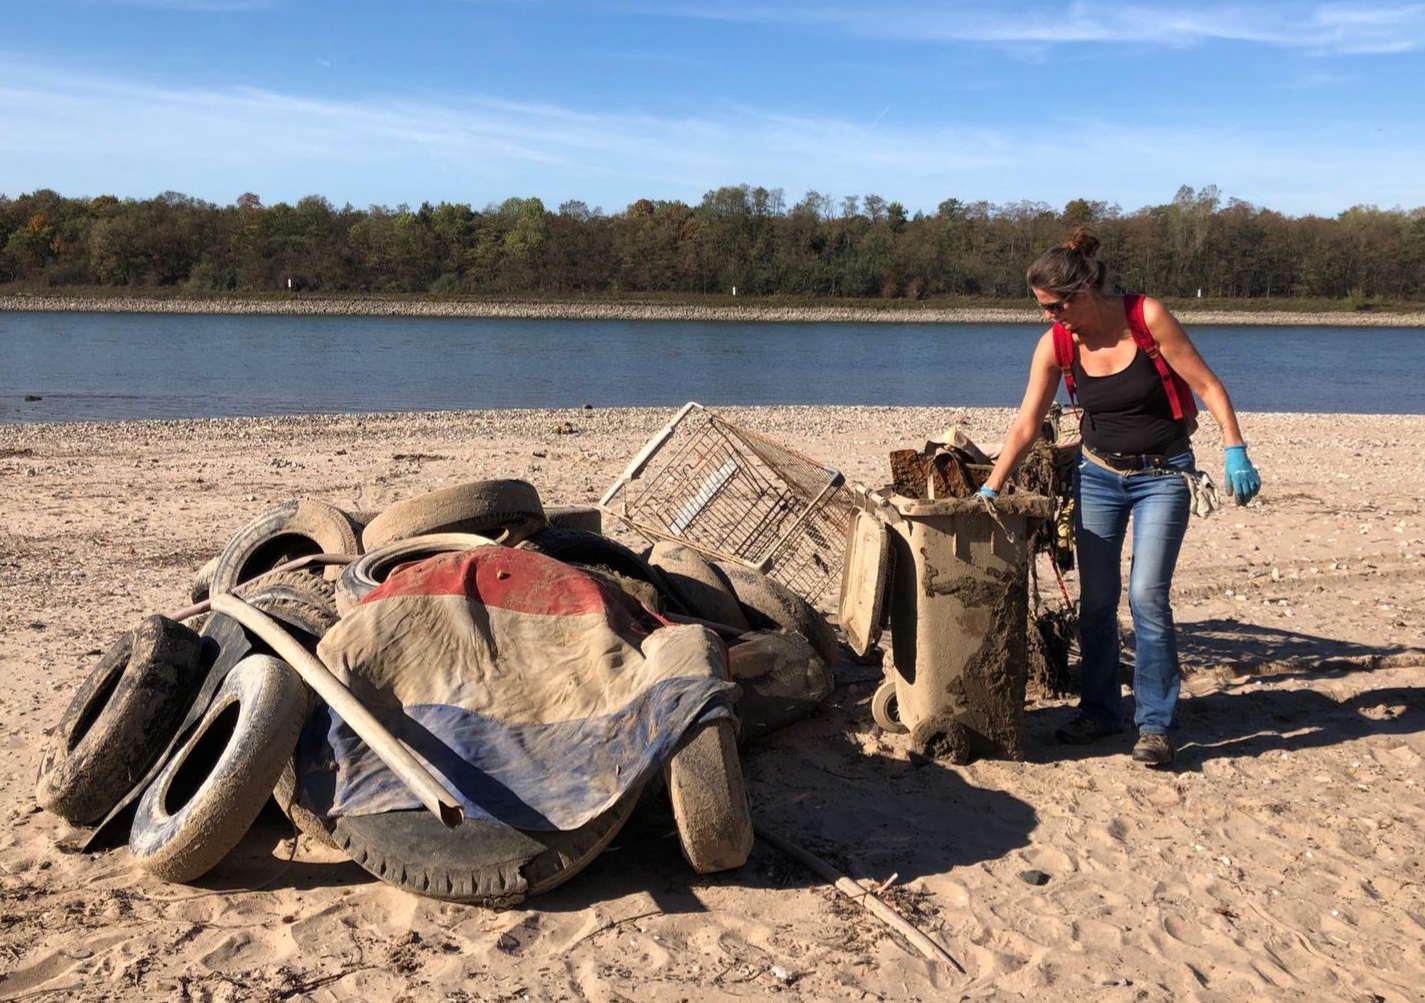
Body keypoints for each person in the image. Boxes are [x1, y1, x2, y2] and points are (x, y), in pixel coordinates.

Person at [978, 229, 1261, 767]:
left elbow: (1209, 386)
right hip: (1097, 475)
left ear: (1083, 291)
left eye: (1054, 306)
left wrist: (1234, 448)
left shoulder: (1146, 317)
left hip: (1164, 476)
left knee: (1147, 598)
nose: (1048, 316)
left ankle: (1154, 724)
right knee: (1099, 601)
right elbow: (1026, 422)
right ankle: (1100, 710)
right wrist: (993, 483)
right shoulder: (1057, 345)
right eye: (1041, 307)